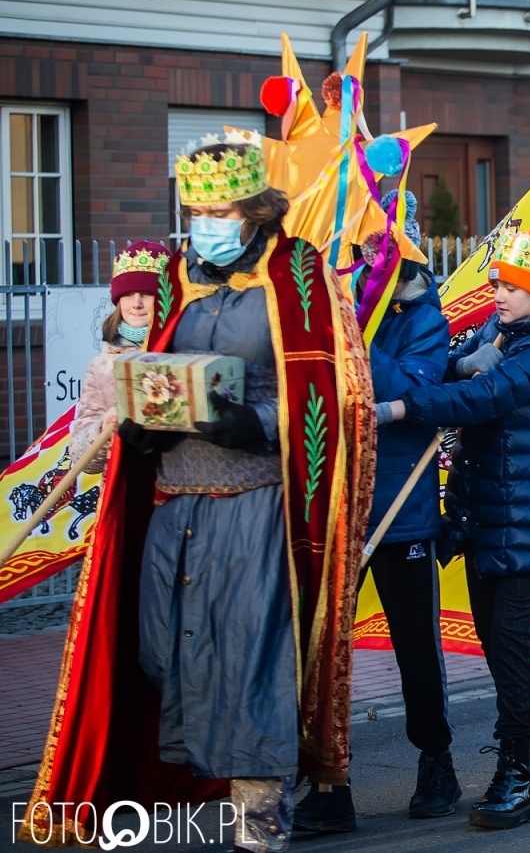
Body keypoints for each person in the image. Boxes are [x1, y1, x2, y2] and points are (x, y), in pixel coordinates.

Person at [26, 137, 372, 853]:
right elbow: (145, 364)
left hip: (255, 500)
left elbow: (337, 391)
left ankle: (260, 814)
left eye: (221, 212)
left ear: (256, 211)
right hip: (171, 498)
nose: (206, 224)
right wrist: (138, 423)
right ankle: (206, 777)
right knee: (164, 651)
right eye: (197, 212)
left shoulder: (300, 273)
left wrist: (256, 422)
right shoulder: (175, 276)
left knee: (249, 650)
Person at [378, 225, 530, 829]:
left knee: (507, 642)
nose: (497, 294)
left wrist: (400, 406)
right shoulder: (500, 331)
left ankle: (517, 766)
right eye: (497, 283)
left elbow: (484, 398)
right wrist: (452, 365)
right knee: (497, 644)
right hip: (485, 515)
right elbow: (459, 376)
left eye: (511, 287)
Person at [297, 193, 458, 830]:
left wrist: (355, 334)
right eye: (362, 245)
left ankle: (436, 757)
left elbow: (416, 390)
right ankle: (328, 783)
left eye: (384, 245)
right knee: (322, 650)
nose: (371, 258)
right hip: (334, 504)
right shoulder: (326, 301)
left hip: (399, 507)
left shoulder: (422, 313)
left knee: (414, 643)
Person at [66, 240, 172, 474]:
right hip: (129, 485)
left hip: (178, 481)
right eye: (128, 294)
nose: (136, 304)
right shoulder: (102, 365)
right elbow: (81, 456)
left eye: (147, 294)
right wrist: (104, 427)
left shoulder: (183, 352)